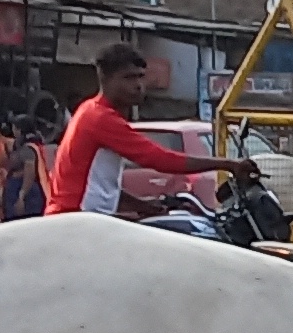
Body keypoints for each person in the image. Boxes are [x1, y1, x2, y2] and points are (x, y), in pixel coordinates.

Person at [43, 47, 253, 216]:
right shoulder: (101, 119)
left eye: (141, 77)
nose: (138, 85)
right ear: (105, 78)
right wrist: (228, 164)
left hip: (78, 218)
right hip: (77, 221)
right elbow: (160, 159)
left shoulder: (90, 110)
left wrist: (148, 207)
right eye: (129, 78)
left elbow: (102, 187)